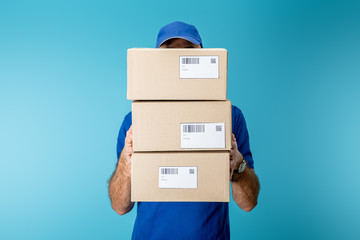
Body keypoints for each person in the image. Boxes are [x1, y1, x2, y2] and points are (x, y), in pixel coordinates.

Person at [108, 21, 260, 240]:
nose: (179, 60)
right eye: (169, 52)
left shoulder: (229, 117)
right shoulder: (135, 120)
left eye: (188, 52)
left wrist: (237, 164)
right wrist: (126, 162)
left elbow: (249, 203)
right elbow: (120, 206)